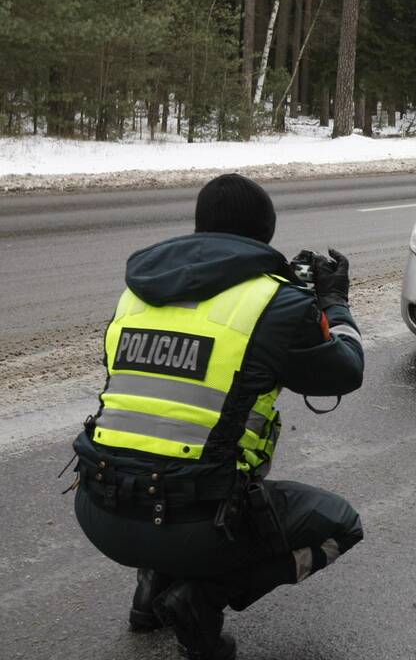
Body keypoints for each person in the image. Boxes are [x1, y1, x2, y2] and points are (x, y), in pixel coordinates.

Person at [69, 174, 366, 660]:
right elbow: (345, 372)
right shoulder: (276, 302)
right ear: (265, 234)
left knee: (162, 455)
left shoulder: (137, 294)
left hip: (98, 509)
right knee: (341, 526)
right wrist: (334, 304)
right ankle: (199, 599)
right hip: (191, 524)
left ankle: (149, 598)